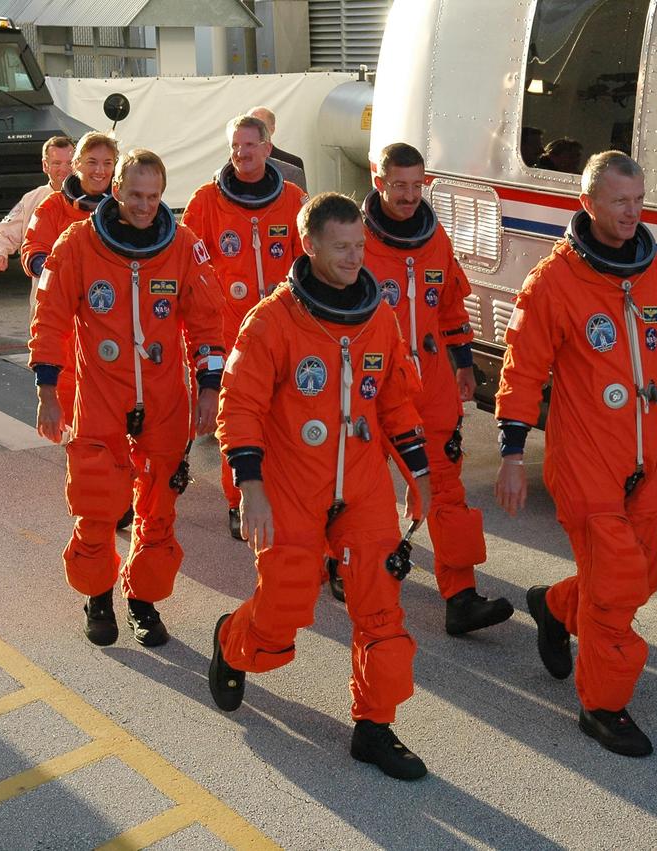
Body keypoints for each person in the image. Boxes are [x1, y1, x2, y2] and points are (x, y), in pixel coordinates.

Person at [494, 151, 657, 757]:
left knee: (642, 573)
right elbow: (522, 371)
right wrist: (513, 453)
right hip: (585, 458)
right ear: (588, 203)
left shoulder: (650, 272)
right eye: (621, 201)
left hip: (642, 454)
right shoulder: (554, 282)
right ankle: (603, 707)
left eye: (640, 200)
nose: (632, 212)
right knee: (619, 581)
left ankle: (553, 606)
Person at [210, 193, 430, 781]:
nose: (356, 257)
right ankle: (233, 641)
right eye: (342, 247)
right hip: (289, 486)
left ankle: (375, 727)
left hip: (360, 487)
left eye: (360, 246)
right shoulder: (273, 319)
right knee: (283, 609)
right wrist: (249, 485)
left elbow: (394, 403)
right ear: (309, 245)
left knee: (381, 606)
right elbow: (241, 407)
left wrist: (420, 475)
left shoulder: (377, 316)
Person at [28, 149, 226, 648]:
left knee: (159, 507)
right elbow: (49, 318)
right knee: (96, 504)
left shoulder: (182, 245)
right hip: (100, 393)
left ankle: (144, 600)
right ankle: (97, 597)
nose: (143, 206)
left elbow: (206, 320)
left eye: (154, 196)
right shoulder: (78, 244)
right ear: (115, 190)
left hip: (163, 399)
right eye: (135, 195)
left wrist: (209, 388)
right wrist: (48, 392)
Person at [361, 142, 513, 636]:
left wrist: (465, 363)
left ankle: (461, 595)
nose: (407, 196)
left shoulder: (435, 238)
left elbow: (449, 306)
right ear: (379, 182)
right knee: (357, 489)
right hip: (368, 388)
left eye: (416, 185)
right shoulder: (354, 240)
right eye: (397, 185)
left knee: (446, 488)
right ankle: (344, 567)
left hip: (429, 385)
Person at [181, 114, 307, 540]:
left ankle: (284, 495)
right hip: (230, 332)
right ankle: (238, 500)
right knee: (236, 421)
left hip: (284, 329)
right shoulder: (206, 201)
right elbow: (188, 265)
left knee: (288, 418)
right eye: (235, 146)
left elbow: (308, 262)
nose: (241, 153)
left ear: (268, 148)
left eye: (249, 145)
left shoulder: (292, 200)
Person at [21, 133, 118, 444]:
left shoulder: (126, 206)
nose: (99, 171)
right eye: (91, 162)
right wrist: (61, 275)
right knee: (70, 392)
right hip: (69, 317)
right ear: (77, 165)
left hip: (115, 318)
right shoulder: (52, 207)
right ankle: (84, 449)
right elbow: (33, 251)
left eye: (107, 163)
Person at [0, 135, 74, 311]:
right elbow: (3, 232)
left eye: (69, 163)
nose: (64, 169)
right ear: (45, 165)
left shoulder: (93, 200)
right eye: (56, 163)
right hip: (45, 298)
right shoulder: (32, 200)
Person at [248, 105, 306, 190]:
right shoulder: (238, 160)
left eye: (260, 126)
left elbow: (302, 201)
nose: (253, 131)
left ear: (272, 129)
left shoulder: (292, 163)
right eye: (249, 125)